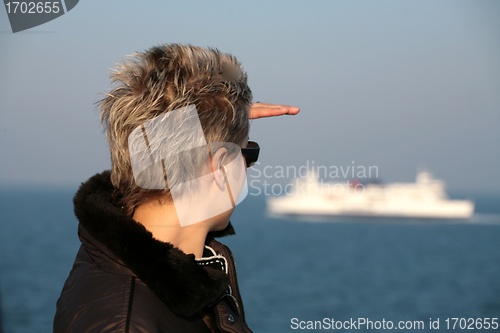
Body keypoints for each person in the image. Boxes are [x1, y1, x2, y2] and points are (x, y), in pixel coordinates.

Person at [53, 43, 299, 332]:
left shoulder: (112, 256)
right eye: (248, 155)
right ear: (219, 168)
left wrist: (216, 116)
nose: (246, 169)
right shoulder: (130, 325)